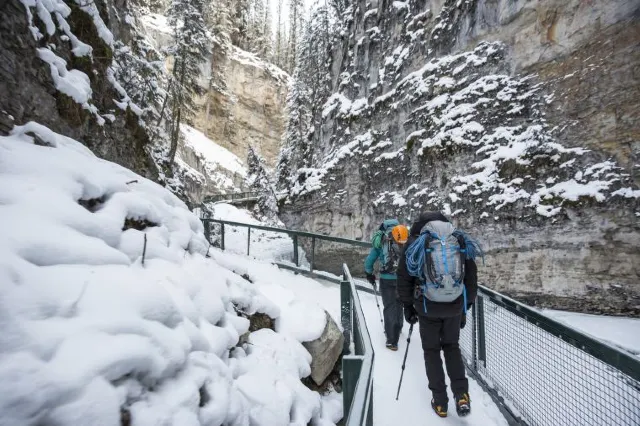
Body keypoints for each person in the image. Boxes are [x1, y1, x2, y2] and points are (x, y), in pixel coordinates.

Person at [396, 211, 481, 418]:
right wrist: (464, 307)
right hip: (453, 306)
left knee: (431, 351)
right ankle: (461, 395)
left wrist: (408, 306)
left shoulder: (416, 243)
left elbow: (404, 278)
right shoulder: (458, 240)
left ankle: (441, 403)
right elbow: (471, 278)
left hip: (427, 307)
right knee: (452, 347)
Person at [364, 219, 409, 351]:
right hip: (402, 279)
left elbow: (370, 260)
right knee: (399, 303)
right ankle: (398, 328)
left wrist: (369, 273)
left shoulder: (382, 239)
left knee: (389, 307)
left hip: (386, 279)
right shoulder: (403, 235)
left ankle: (391, 340)